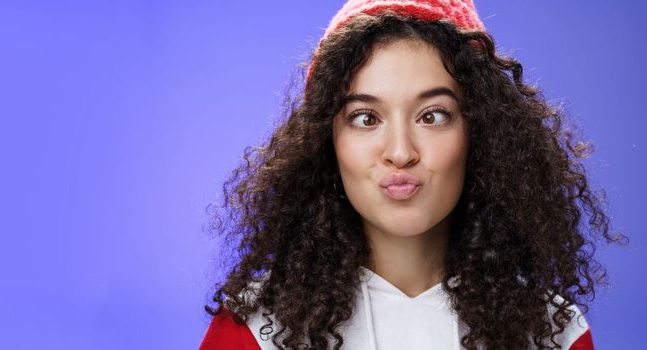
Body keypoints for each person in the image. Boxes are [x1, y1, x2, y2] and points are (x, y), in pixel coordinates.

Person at [198, 1, 627, 349]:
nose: (400, 152)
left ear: (480, 133)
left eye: (433, 115)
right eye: (366, 118)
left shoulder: (554, 333)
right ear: (325, 144)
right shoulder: (253, 329)